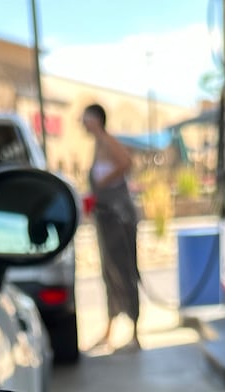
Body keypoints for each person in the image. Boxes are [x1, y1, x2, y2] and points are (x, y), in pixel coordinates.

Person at [82, 103, 142, 353]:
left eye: (85, 118)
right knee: (109, 271)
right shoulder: (97, 145)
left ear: (96, 119)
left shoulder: (108, 141)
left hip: (120, 219)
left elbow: (126, 162)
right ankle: (110, 327)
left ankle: (135, 331)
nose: (82, 122)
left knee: (125, 270)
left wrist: (102, 183)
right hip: (105, 218)